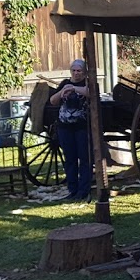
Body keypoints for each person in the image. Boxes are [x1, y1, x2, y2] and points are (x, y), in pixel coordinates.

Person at [49, 59, 92, 200]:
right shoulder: (64, 84)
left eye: (79, 70)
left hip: (82, 127)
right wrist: (63, 91)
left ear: (84, 72)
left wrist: (74, 89)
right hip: (64, 127)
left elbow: (91, 93)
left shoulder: (88, 83)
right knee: (70, 159)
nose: (76, 73)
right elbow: (53, 101)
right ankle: (72, 189)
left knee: (84, 158)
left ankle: (83, 190)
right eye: (74, 70)